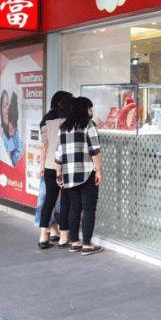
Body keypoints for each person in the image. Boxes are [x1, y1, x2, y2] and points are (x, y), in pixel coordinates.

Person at [55, 97, 103, 255]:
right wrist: (98, 170)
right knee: (89, 208)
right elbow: (94, 150)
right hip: (86, 173)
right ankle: (87, 245)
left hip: (69, 174)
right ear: (84, 109)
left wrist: (58, 174)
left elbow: (59, 153)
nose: (91, 111)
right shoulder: (89, 125)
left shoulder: (63, 127)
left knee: (74, 208)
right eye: (90, 108)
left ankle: (75, 242)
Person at [36, 91, 73, 248]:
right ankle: (63, 236)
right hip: (66, 166)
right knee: (65, 201)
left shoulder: (45, 119)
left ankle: (43, 235)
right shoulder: (70, 119)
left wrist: (42, 167)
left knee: (48, 201)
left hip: (50, 166)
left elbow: (44, 146)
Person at [0, 90, 21, 165]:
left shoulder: (14, 126)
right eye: (4, 106)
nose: (7, 108)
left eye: (7, 104)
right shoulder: (1, 130)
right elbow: (14, 157)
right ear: (1, 110)